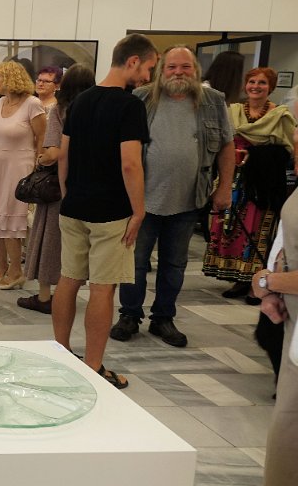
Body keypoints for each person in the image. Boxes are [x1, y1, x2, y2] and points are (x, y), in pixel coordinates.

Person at [51, 33, 159, 389]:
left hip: (74, 207)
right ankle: (93, 367)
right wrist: (139, 211)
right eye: (148, 68)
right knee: (102, 288)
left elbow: (63, 156)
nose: (147, 77)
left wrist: (68, 194)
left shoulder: (80, 100)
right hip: (111, 211)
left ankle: (61, 353)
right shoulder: (130, 106)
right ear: (133, 61)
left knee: (68, 279)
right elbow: (131, 163)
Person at [110, 46, 235, 348]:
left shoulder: (213, 101)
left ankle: (163, 318)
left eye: (185, 67)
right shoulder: (141, 98)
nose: (179, 72)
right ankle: (129, 315)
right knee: (135, 263)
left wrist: (224, 187)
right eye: (172, 67)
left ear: (196, 70)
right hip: (142, 201)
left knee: (174, 265)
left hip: (188, 200)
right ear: (161, 70)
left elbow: (227, 146)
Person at [205, 68, 297, 303]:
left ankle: (256, 282)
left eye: (262, 83)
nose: (256, 86)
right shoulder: (232, 111)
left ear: (271, 87)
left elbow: (287, 152)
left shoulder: (281, 116)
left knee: (256, 232)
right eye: (252, 81)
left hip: (262, 185)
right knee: (229, 228)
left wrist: (254, 155)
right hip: (233, 180)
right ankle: (238, 278)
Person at [18, 65, 94, 315]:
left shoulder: (60, 111)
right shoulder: (96, 110)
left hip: (59, 187)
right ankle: (68, 294)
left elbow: (53, 152)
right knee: (79, 243)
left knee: (48, 240)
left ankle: (45, 297)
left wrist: (41, 159)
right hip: (89, 185)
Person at [0, 61, 46, 290]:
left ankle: (16, 271)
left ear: (9, 79)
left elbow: (41, 138)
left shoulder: (32, 104)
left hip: (19, 167)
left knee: (11, 219)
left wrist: (37, 167)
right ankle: (2, 266)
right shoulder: (1, 103)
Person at [250, 193, 298, 486]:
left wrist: (268, 282)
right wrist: (270, 288)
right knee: (286, 440)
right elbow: (285, 239)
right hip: (294, 333)